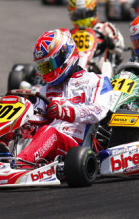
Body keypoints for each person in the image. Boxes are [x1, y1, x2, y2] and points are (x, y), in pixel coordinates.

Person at [13, 28, 114, 167]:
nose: (47, 72)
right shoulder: (45, 89)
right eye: (43, 68)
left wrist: (64, 112)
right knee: (15, 127)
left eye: (49, 66)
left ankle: (19, 165)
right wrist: (23, 119)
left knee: (49, 132)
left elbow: (99, 111)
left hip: (76, 148)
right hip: (44, 145)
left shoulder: (97, 81)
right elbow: (38, 118)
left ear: (65, 56)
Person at [67, 0, 126, 65]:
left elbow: (120, 48)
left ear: (93, 11)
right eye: (78, 15)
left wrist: (110, 42)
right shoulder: (70, 34)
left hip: (101, 68)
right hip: (78, 68)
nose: (81, 17)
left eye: (86, 13)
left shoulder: (105, 27)